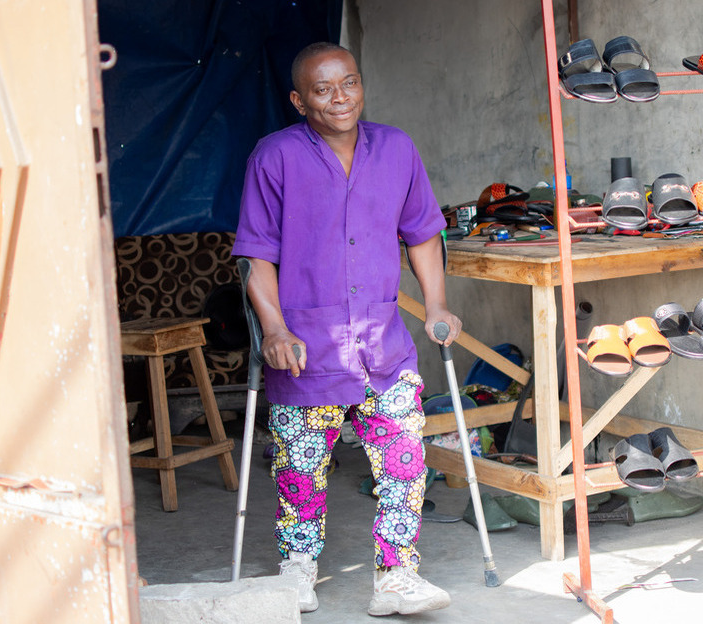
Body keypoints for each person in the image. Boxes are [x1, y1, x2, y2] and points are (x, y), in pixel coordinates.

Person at [232, 41, 459, 616]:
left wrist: (436, 306)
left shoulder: (397, 149)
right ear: (298, 100)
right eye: (323, 89)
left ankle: (397, 578)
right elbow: (257, 257)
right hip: (308, 346)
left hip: (383, 341)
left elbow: (424, 233)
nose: (340, 98)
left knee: (406, 462)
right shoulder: (274, 155)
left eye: (349, 83)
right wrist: (276, 330)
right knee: (301, 474)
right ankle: (297, 573)